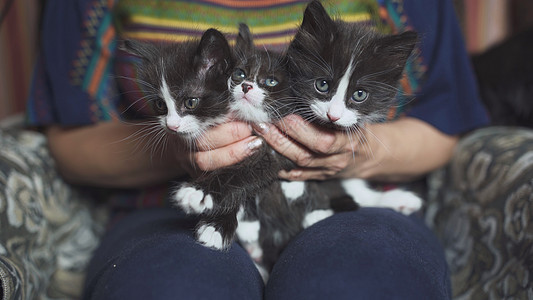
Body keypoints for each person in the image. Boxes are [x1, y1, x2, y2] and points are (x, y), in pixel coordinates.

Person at [27, 0, 488, 299]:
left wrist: (353, 153)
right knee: (170, 288)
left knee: (354, 284)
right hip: (177, 209)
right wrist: (182, 146)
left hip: (349, 204)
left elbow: (446, 125)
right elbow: (68, 146)